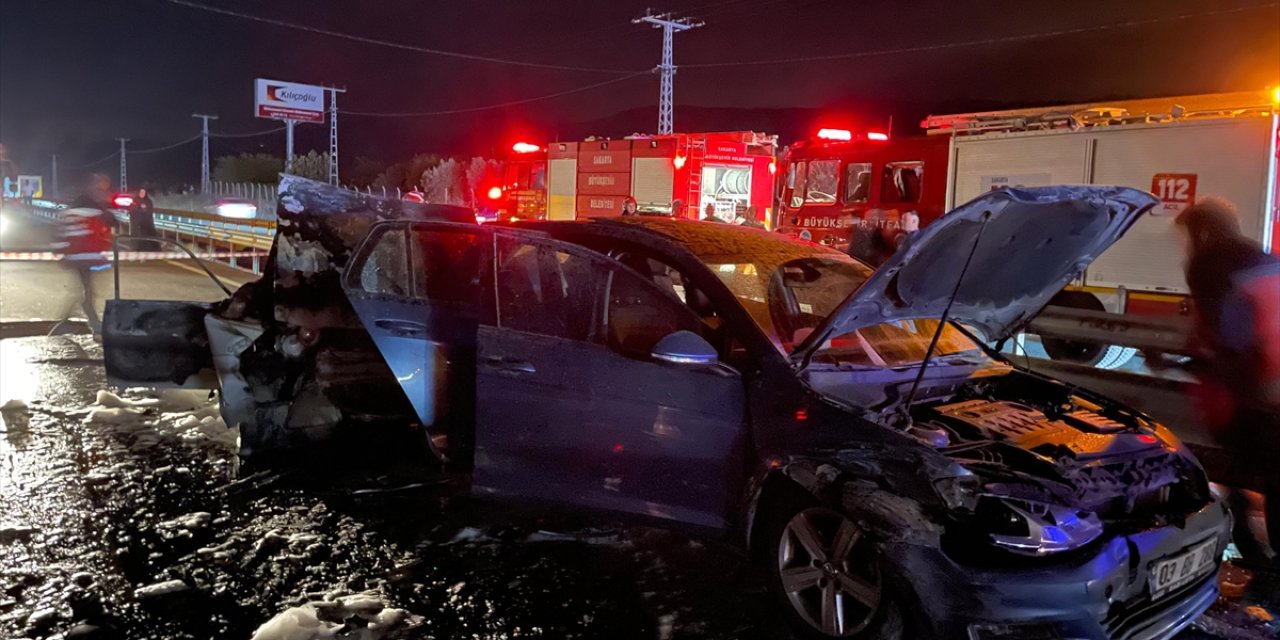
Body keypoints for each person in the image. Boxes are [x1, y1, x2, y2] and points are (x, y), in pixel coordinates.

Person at [1175, 196, 1280, 560]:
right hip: (1271, 374)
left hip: (1257, 386)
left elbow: (1226, 334)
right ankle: (1258, 550)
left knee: (1248, 459)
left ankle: (1257, 555)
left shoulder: (1208, 264)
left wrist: (1194, 362)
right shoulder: (1260, 255)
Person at [52, 175, 118, 338]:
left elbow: (60, 237)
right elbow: (108, 231)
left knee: (84, 290)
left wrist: (61, 253)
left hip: (74, 258)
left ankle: (70, 322)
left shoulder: (68, 215)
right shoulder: (97, 214)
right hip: (90, 258)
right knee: (86, 292)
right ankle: (91, 323)